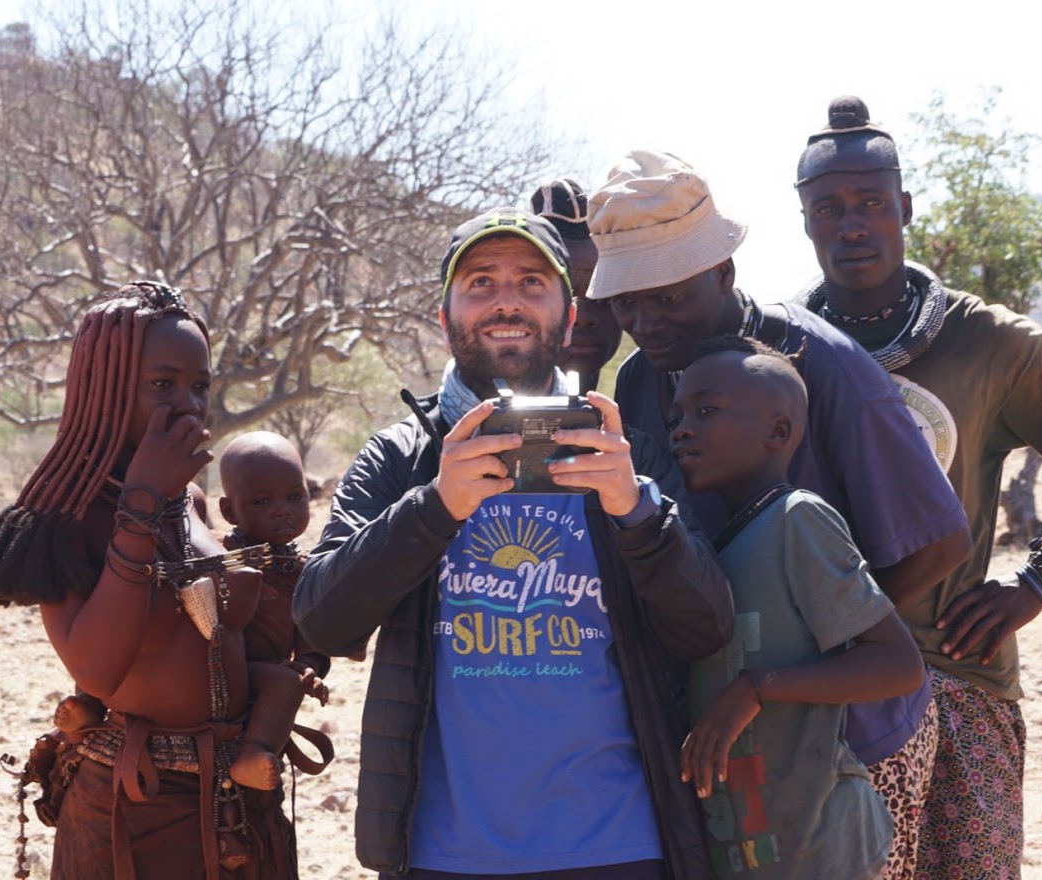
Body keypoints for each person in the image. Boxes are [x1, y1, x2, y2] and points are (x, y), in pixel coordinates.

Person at [293, 208, 734, 880]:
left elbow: (706, 628)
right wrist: (434, 507)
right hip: (443, 853)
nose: (506, 301)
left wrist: (636, 510)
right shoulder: (402, 458)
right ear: (445, 317)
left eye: (532, 282)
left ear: (568, 313)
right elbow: (320, 620)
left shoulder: (627, 455)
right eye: (479, 282)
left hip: (617, 846)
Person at [792, 96, 1042, 879]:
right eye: (829, 208)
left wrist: (1039, 579)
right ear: (804, 221)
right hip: (822, 678)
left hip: (957, 671)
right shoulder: (780, 347)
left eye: (870, 204)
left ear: (905, 208)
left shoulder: (988, 342)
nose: (851, 224)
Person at [589, 149, 971, 879]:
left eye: (665, 296)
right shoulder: (640, 380)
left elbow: (938, 538)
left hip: (850, 734)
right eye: (626, 303)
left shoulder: (820, 364)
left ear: (723, 274)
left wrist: (819, 647)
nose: (646, 320)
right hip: (734, 735)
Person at [0, 281, 299, 879]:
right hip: (133, 805)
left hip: (238, 800)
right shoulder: (67, 517)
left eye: (200, 386)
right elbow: (96, 669)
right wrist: (140, 501)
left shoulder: (190, 501)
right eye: (162, 385)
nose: (188, 405)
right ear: (107, 392)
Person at [673, 336, 925, 879]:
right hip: (758, 846)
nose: (682, 429)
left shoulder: (797, 520)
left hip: (821, 839)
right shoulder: (718, 545)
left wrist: (756, 689)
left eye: (706, 410)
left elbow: (897, 664)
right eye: (678, 415)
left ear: (779, 431)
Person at [216, 431, 333, 791]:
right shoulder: (220, 556)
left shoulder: (303, 570)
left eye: (294, 497)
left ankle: (256, 755)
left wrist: (310, 668)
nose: (282, 509)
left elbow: (312, 636)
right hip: (221, 671)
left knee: (286, 683)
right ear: (229, 511)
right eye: (262, 501)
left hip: (268, 676)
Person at [531, 177, 623, 393]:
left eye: (602, 298)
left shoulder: (647, 400)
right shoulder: (464, 417)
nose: (582, 318)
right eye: (563, 297)